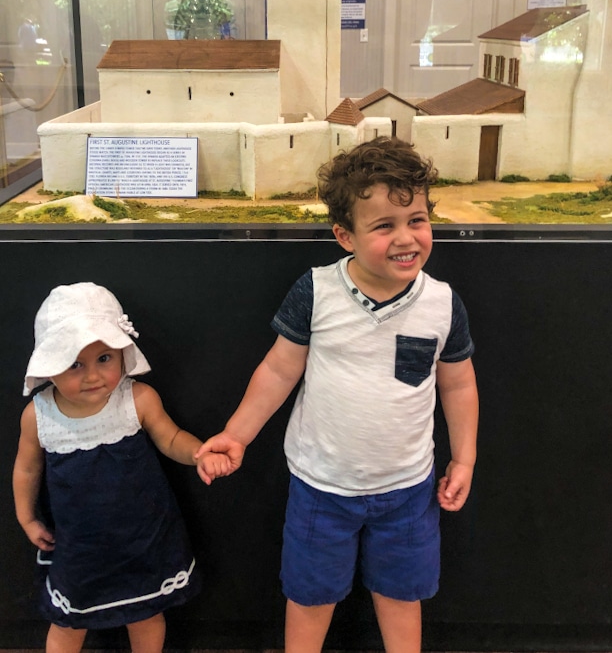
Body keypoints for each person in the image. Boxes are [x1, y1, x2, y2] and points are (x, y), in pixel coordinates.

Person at [196, 136, 479, 653]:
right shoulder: (316, 291)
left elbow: (458, 382)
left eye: (416, 219)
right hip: (320, 487)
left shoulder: (442, 303)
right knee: (309, 597)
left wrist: (465, 458)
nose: (406, 238)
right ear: (344, 235)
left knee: (402, 595)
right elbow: (279, 371)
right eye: (383, 225)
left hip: (409, 490)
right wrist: (236, 435)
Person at [13, 282, 227, 653]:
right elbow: (27, 470)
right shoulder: (39, 415)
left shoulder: (138, 399)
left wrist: (199, 454)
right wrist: (27, 517)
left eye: (104, 359)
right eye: (74, 363)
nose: (93, 376)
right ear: (49, 365)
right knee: (68, 621)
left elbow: (171, 438)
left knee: (145, 613)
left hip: (143, 539)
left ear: (122, 354)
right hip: (79, 547)